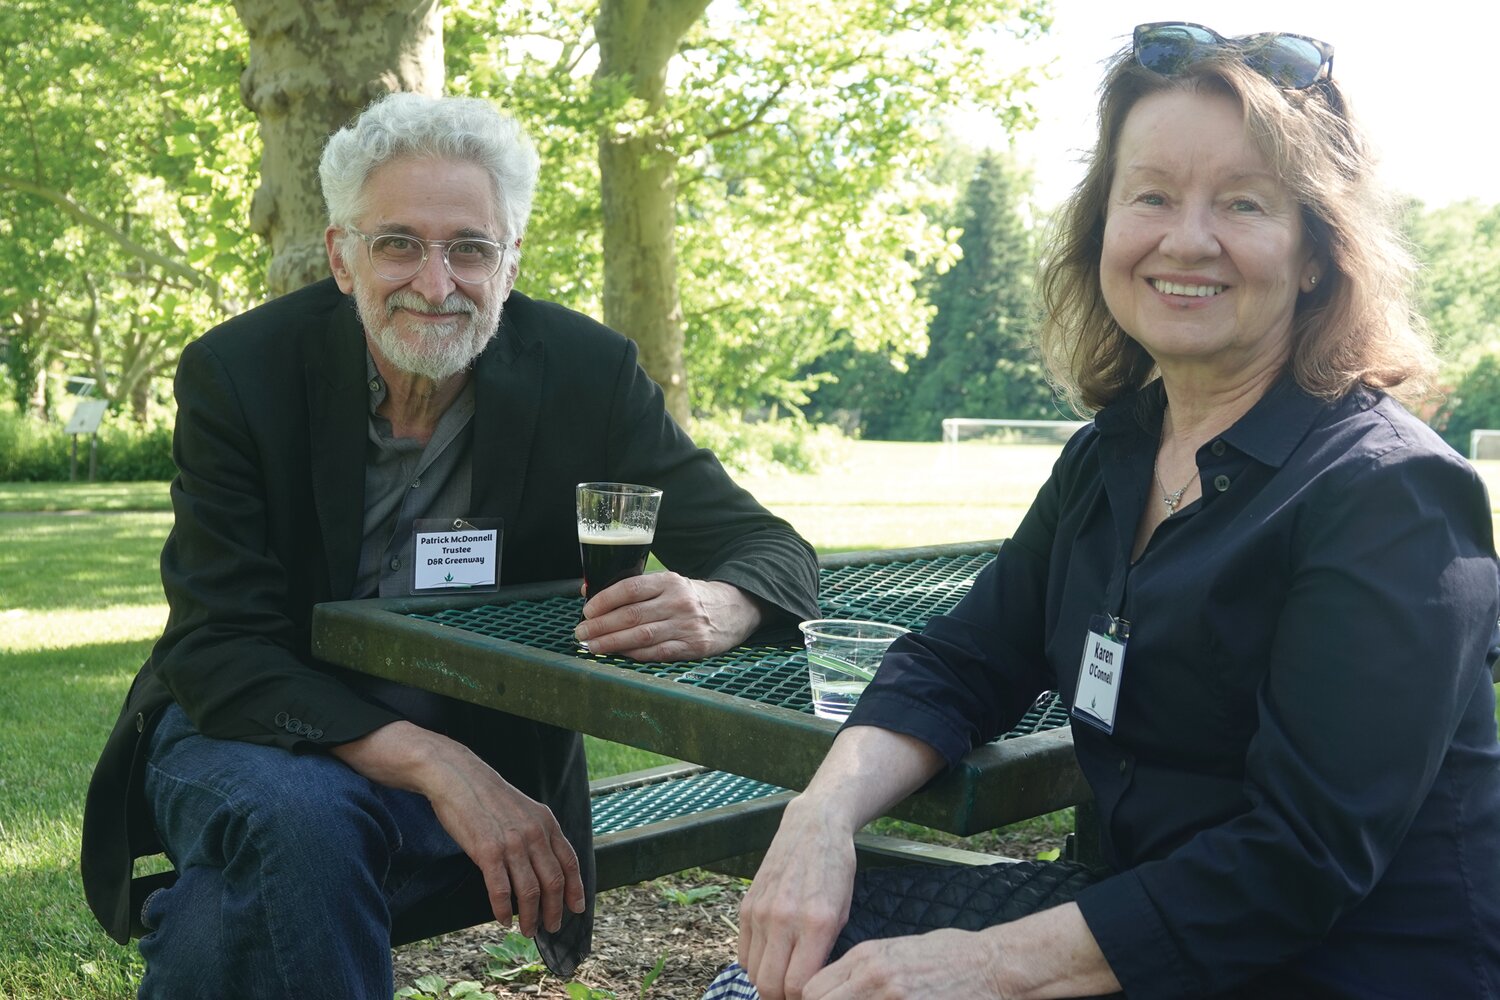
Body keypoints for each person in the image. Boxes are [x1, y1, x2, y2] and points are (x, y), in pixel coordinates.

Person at [714, 21, 1500, 1000]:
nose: (1187, 238)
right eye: (1153, 196)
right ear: (1104, 232)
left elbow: (1298, 858)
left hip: (1339, 967)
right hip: (1139, 933)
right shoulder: (1110, 457)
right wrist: (819, 819)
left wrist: (989, 963)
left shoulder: (1390, 495)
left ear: (1315, 256)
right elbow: (962, 660)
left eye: (1244, 203)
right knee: (788, 957)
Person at [79, 92, 821, 999]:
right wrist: (442, 768)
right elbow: (219, 645)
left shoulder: (587, 374)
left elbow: (767, 547)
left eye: (470, 247)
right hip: (239, 728)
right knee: (303, 816)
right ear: (342, 258)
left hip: (461, 764)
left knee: (220, 915)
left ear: (510, 262)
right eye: (399, 243)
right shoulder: (242, 373)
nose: (436, 284)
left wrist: (723, 602)